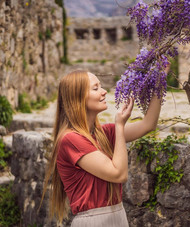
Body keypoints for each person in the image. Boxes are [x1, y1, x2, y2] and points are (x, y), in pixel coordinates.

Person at [41, 70, 162, 226]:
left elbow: (148, 124)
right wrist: (119, 125)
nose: (104, 92)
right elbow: (119, 174)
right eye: (96, 88)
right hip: (93, 221)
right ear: (77, 98)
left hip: (118, 216)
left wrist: (160, 78)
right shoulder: (70, 139)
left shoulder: (104, 133)